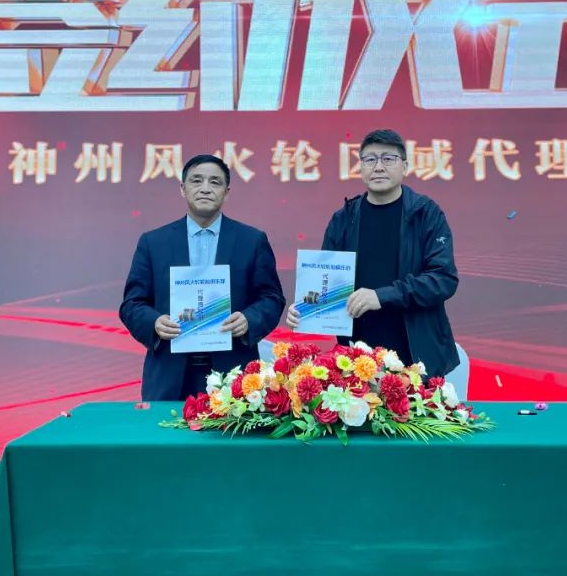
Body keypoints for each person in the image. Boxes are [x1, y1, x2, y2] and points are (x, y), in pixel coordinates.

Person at [286, 129, 460, 377]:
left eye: (388, 159)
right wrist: (307, 307)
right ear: (361, 167)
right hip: (357, 360)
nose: (378, 167)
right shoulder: (344, 218)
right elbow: (327, 282)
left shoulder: (426, 214)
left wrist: (382, 296)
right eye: (370, 159)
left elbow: (443, 279)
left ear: (405, 166)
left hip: (416, 357)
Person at [120, 154, 285, 400]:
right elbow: (132, 304)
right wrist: (154, 322)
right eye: (196, 181)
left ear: (226, 193)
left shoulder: (252, 240)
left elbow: (271, 297)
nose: (205, 188)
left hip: (233, 373)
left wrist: (249, 320)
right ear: (183, 189)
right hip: (169, 374)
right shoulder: (153, 242)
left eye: (215, 182)